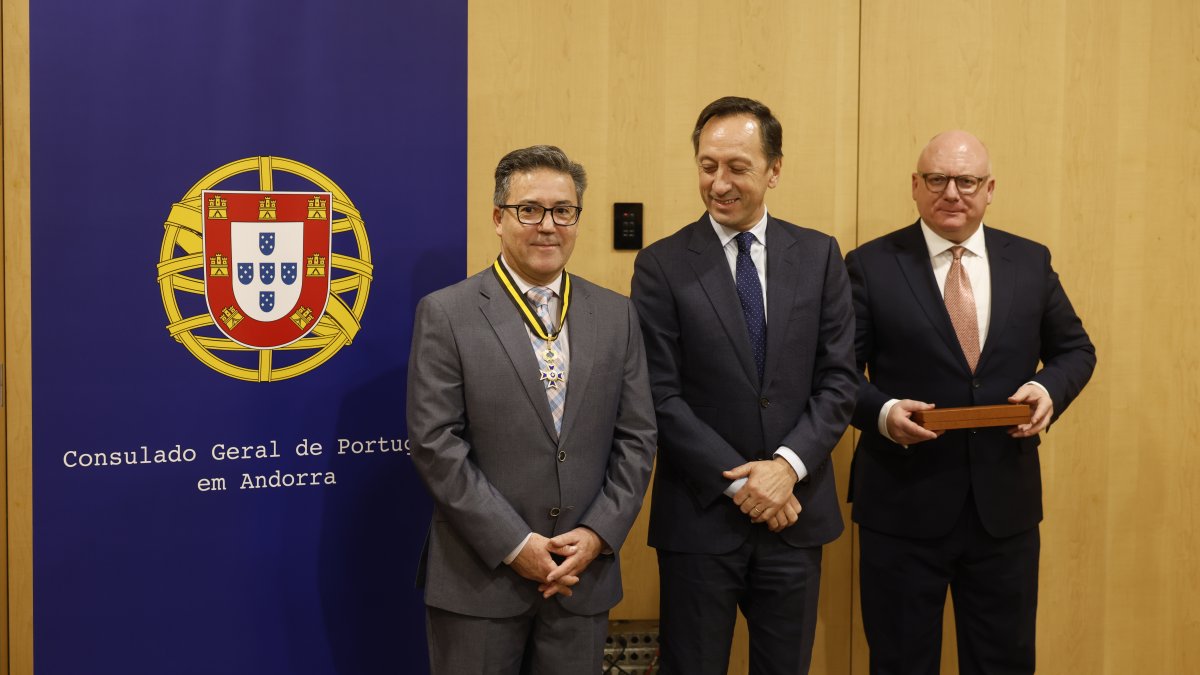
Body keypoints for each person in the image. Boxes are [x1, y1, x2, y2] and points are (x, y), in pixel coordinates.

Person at [845, 130, 1096, 674]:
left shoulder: (1030, 261)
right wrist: (884, 413)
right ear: (915, 186)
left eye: (967, 181)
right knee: (901, 663)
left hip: (1003, 509)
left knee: (1003, 662)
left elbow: (1075, 349)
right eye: (937, 179)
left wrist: (1048, 389)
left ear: (990, 189)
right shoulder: (869, 265)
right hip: (902, 505)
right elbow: (839, 374)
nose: (952, 193)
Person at [406, 145, 657, 675]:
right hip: (481, 581)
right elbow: (435, 444)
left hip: (580, 577)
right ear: (499, 218)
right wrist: (514, 543)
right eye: (530, 210)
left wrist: (597, 534)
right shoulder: (447, 313)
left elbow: (637, 437)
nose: (548, 225)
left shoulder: (617, 315)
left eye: (563, 210)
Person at [630, 96, 858, 674]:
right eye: (708, 166)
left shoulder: (819, 255)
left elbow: (839, 380)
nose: (719, 183)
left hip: (795, 514)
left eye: (738, 167)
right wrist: (744, 486)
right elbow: (659, 395)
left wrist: (785, 469)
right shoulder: (661, 265)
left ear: (774, 170)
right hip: (701, 519)